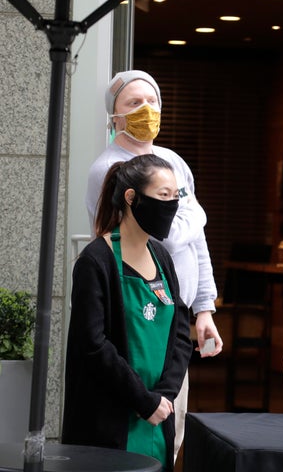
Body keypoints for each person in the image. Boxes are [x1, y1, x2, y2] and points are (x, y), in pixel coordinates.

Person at [85, 70, 222, 459]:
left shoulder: (172, 161)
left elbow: (194, 240)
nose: (146, 109)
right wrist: (197, 214)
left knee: (171, 430)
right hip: (138, 318)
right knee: (134, 430)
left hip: (176, 317)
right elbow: (166, 236)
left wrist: (204, 306)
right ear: (115, 117)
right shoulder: (108, 169)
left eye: (152, 101)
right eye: (134, 103)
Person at [63, 154, 193, 470]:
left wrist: (164, 396)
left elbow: (181, 334)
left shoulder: (162, 257)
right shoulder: (96, 261)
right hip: (110, 417)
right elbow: (94, 345)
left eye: (176, 196)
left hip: (156, 415)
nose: (171, 205)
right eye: (163, 196)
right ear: (131, 198)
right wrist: (141, 399)